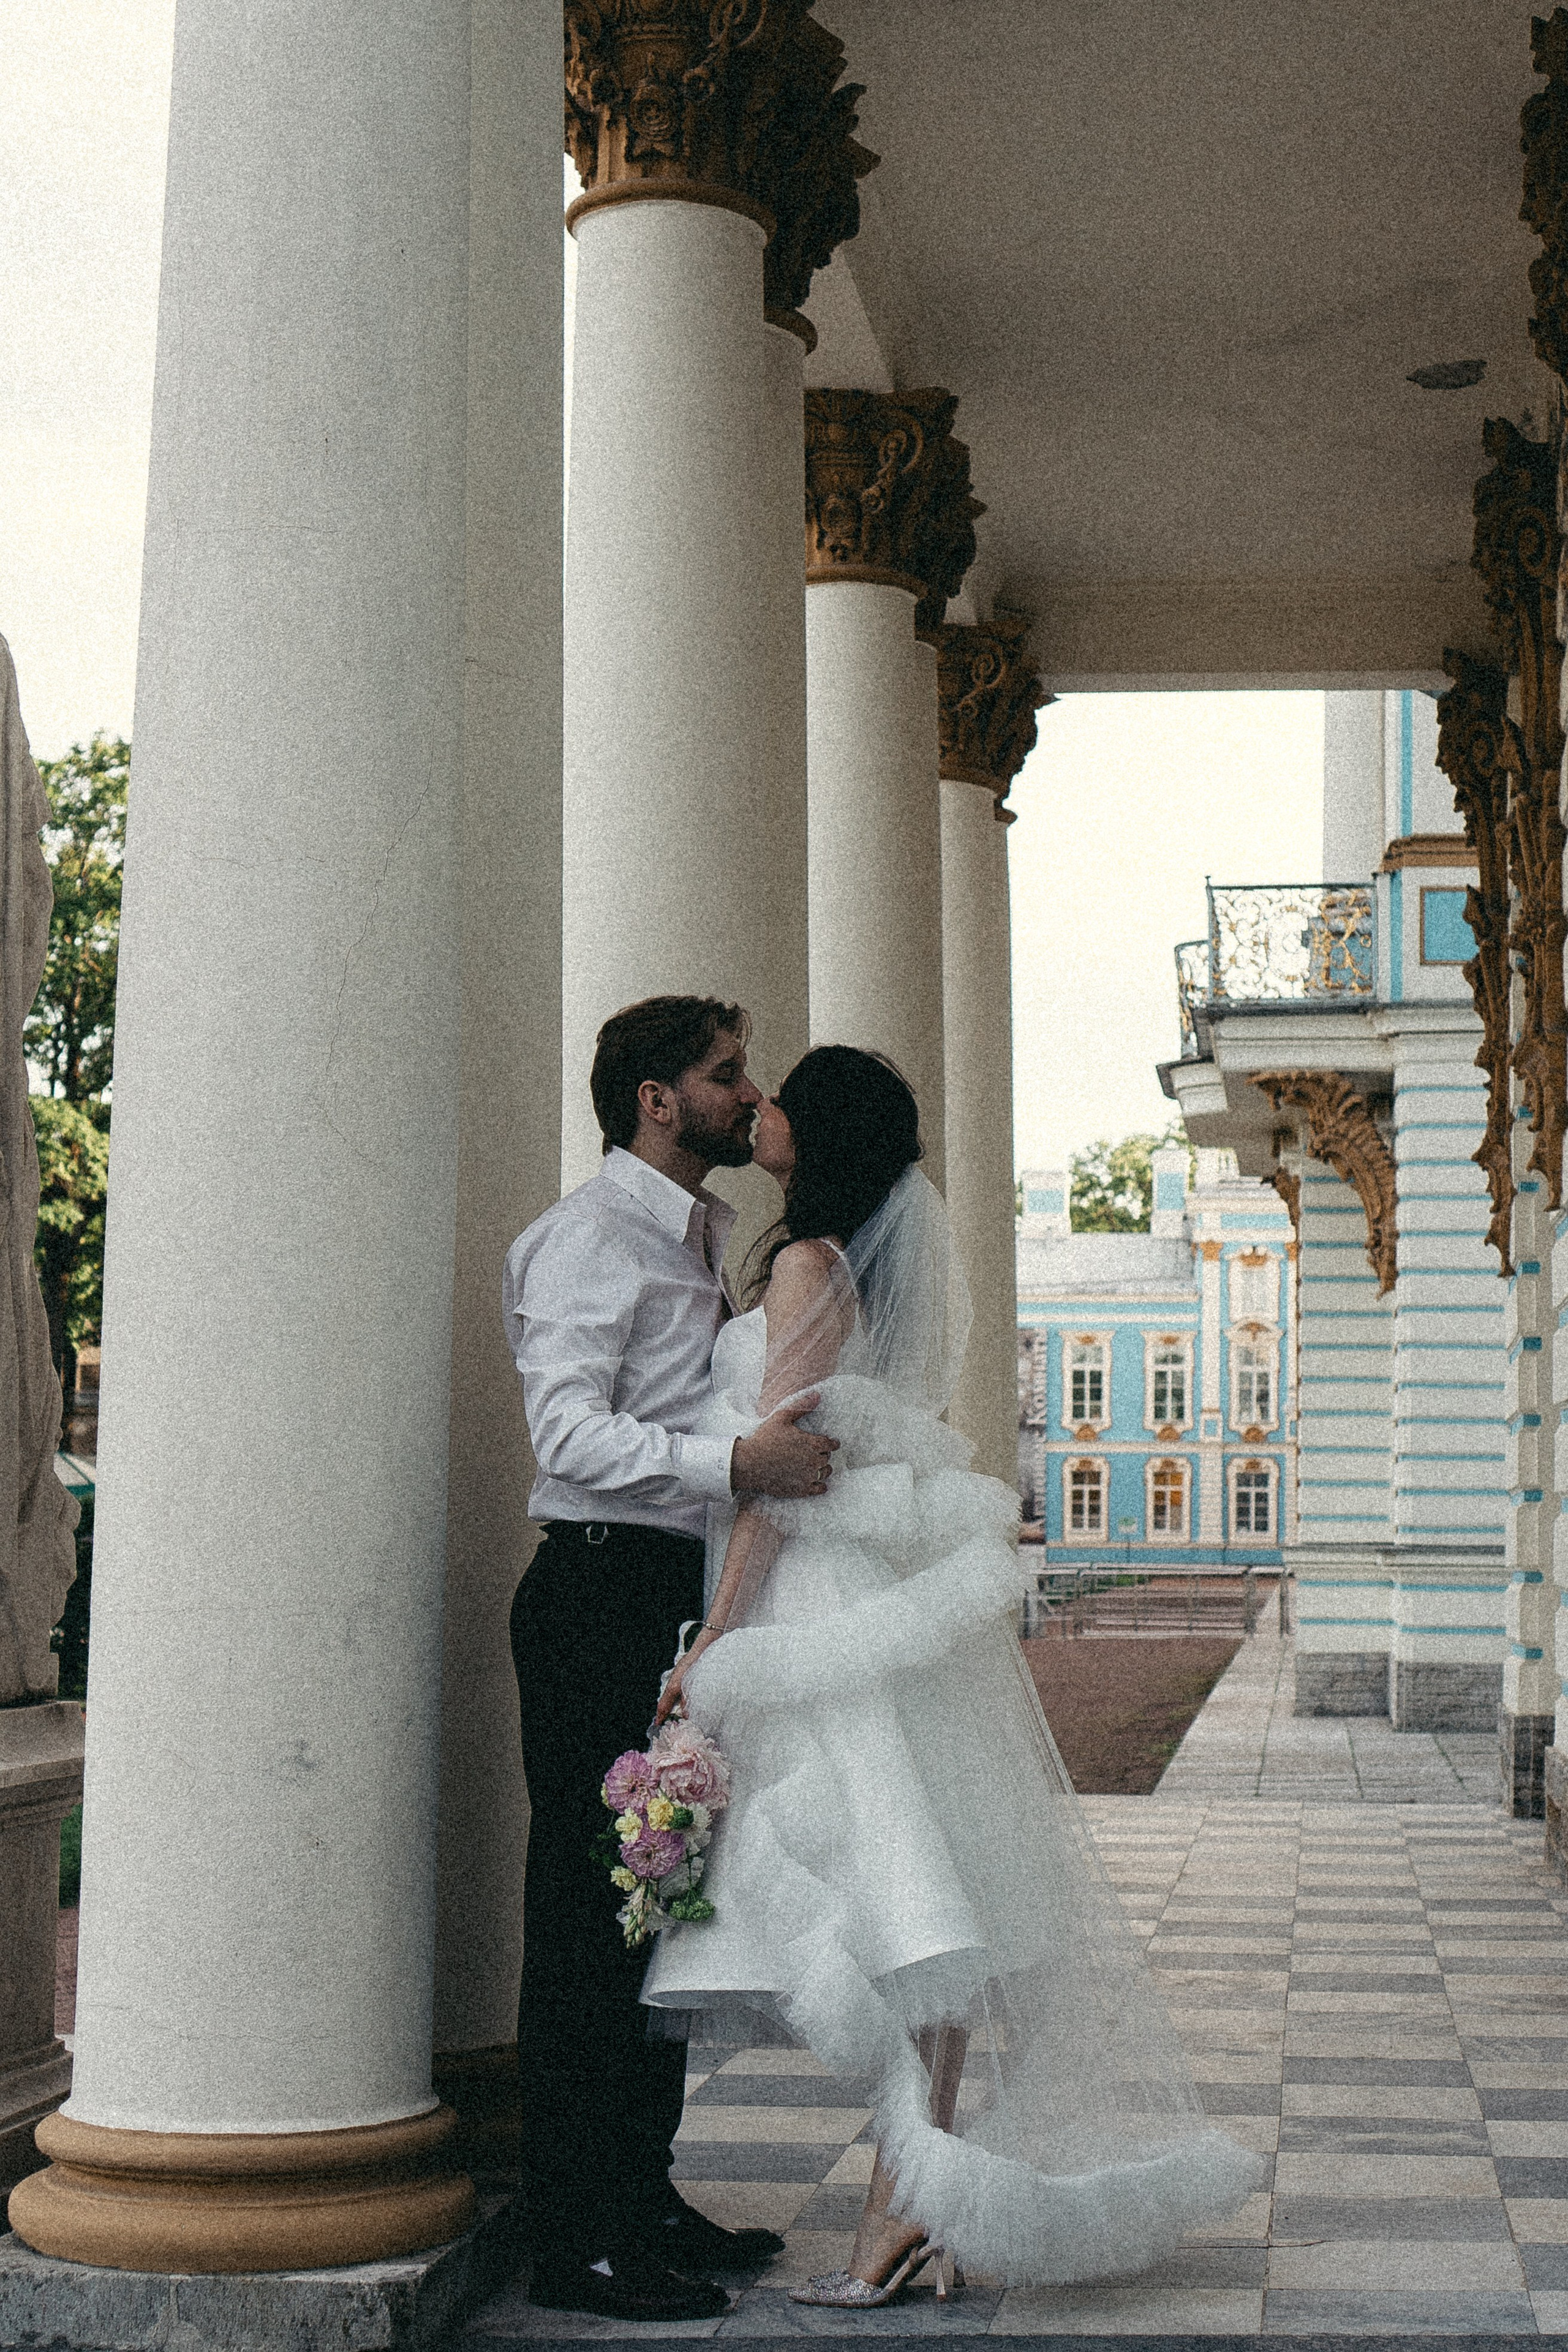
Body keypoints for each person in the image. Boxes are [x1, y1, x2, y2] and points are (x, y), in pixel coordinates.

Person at [644, 1045, 1262, 2302]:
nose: (760, 1109)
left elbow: (776, 1476)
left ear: (817, 1138)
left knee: (905, 1909)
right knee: (915, 1908)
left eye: (782, 1103)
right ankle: (908, 2200)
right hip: (854, 1601)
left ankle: (900, 2204)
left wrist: (716, 1644)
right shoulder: (820, 1260)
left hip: (813, 1604)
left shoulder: (810, 1265)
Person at [502, 996, 840, 2324]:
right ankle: (575, 2236)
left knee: (653, 1911)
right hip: (595, 1588)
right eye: (721, 1074)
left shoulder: (690, 1232)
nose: (744, 1094)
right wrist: (733, 1464)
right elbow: (567, 1437)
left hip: (661, 1594)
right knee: (588, 1922)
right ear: (653, 1097)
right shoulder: (589, 1240)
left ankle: (637, 2193)